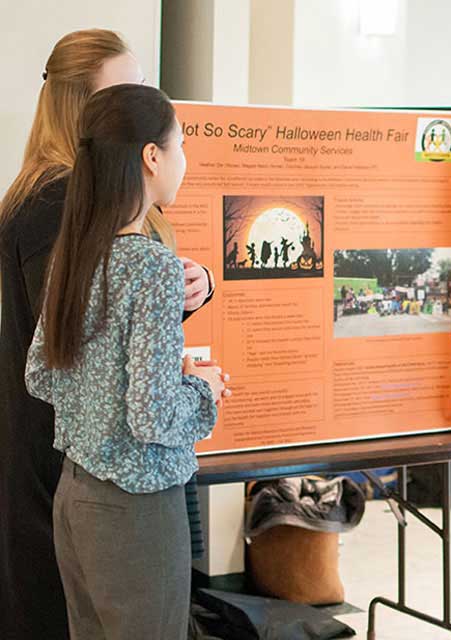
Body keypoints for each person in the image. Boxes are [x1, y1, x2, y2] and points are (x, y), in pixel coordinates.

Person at [0, 29, 215, 640]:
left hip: (70, 475)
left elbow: (50, 360)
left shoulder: (71, 222)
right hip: (113, 482)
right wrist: (199, 390)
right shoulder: (63, 209)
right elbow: (130, 395)